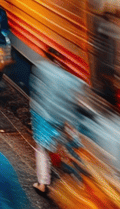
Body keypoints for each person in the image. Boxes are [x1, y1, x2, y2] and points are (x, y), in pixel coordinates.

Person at [29, 49, 85, 194]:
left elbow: (36, 92)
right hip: (60, 119)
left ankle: (42, 183)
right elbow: (75, 101)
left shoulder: (41, 68)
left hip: (42, 116)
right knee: (66, 147)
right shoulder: (71, 79)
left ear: (48, 58)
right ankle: (79, 181)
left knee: (41, 149)